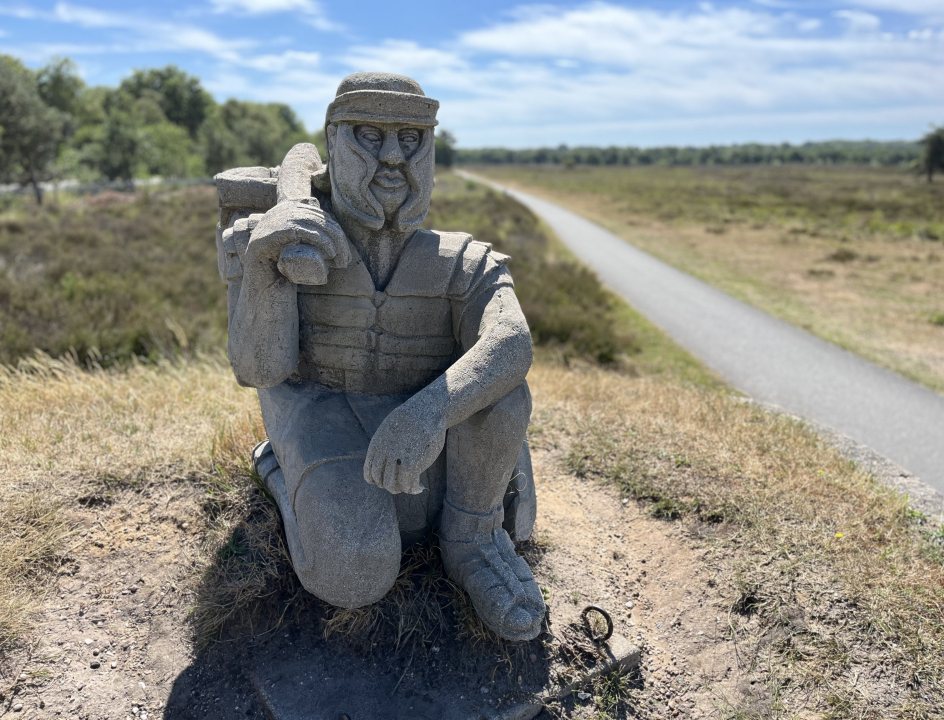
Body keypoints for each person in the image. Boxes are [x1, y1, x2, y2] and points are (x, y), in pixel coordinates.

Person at [216, 72, 545, 641]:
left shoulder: (461, 261)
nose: (393, 157)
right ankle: (281, 470)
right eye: (369, 135)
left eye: (411, 139)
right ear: (333, 142)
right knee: (355, 573)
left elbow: (511, 341)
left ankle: (472, 542)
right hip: (321, 409)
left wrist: (429, 411)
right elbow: (259, 370)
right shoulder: (284, 239)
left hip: (420, 406)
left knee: (503, 394)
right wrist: (265, 268)